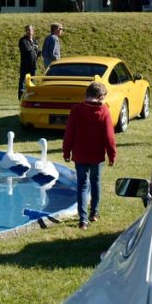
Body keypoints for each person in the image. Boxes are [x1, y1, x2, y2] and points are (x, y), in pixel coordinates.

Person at [63, 81, 117, 229]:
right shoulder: (104, 111)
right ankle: (94, 213)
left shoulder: (76, 110)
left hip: (80, 155)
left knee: (82, 185)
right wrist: (112, 155)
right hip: (96, 156)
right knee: (95, 183)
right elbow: (109, 137)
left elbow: (69, 134)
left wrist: (66, 151)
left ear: (87, 94)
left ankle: (83, 219)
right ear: (100, 97)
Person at [18, 24, 39, 99]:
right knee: (23, 82)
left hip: (33, 65)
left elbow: (36, 51)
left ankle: (31, 97)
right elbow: (27, 49)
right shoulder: (23, 40)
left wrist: (40, 52)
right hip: (25, 65)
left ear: (33, 31)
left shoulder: (35, 40)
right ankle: (21, 98)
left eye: (30, 30)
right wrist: (34, 46)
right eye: (27, 30)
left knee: (32, 81)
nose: (29, 32)